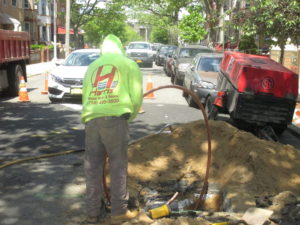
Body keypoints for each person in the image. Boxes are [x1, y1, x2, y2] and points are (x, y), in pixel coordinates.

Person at [81, 34, 143, 224]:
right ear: (119, 48)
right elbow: (137, 95)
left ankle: (92, 213)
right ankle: (118, 212)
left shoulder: (92, 66)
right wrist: (130, 116)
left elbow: (85, 94)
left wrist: (90, 116)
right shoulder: (128, 64)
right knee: (117, 166)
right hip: (115, 118)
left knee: (93, 167)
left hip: (92, 119)